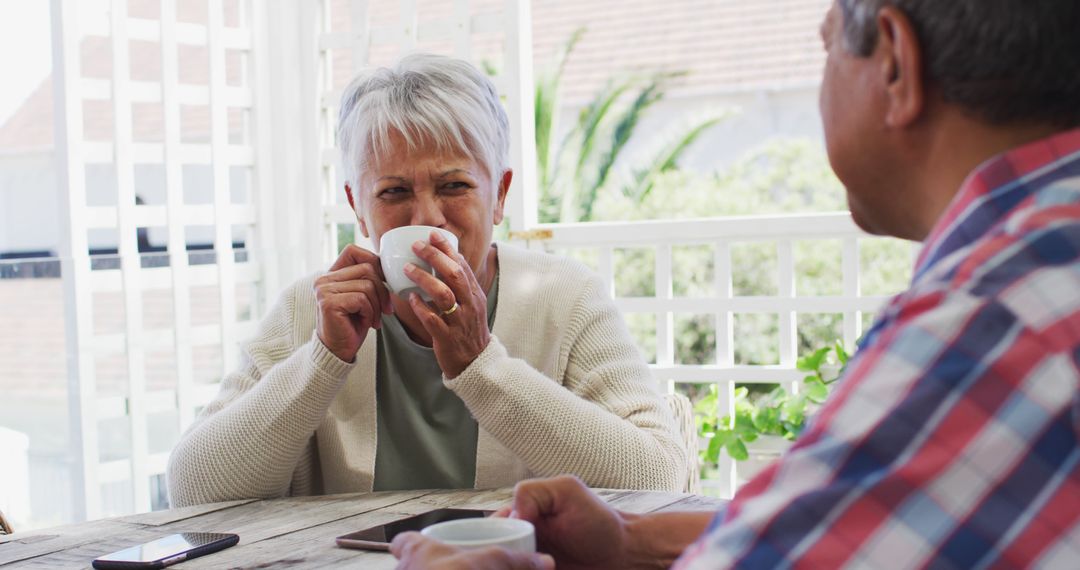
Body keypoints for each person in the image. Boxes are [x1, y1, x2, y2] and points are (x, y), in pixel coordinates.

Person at [391, 0, 1080, 568]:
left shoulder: (992, 321)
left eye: (825, 45)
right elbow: (838, 517)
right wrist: (631, 540)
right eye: (393, 191)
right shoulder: (1041, 261)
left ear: (895, 62)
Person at [166, 54, 689, 507]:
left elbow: (656, 477)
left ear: (500, 195)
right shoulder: (313, 310)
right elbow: (194, 486)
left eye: (454, 185)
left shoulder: (564, 297)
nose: (429, 217)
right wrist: (323, 359)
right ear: (359, 208)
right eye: (393, 192)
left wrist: (481, 366)